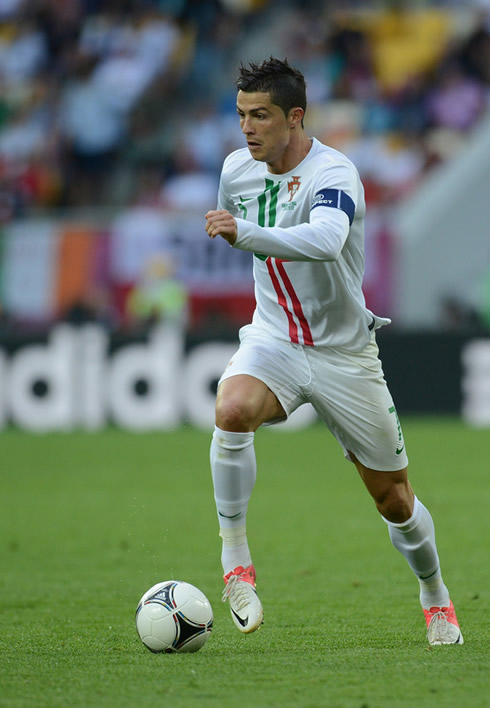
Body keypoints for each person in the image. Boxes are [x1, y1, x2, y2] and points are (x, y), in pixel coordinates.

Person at [205, 58, 462, 646]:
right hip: (274, 339)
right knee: (232, 409)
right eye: (242, 115)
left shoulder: (335, 173)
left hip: (346, 356)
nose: (247, 129)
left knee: (394, 500)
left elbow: (324, 241)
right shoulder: (235, 171)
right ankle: (236, 564)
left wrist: (244, 234)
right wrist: (243, 234)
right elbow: (246, 228)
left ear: (294, 118)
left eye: (261, 116)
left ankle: (435, 596)